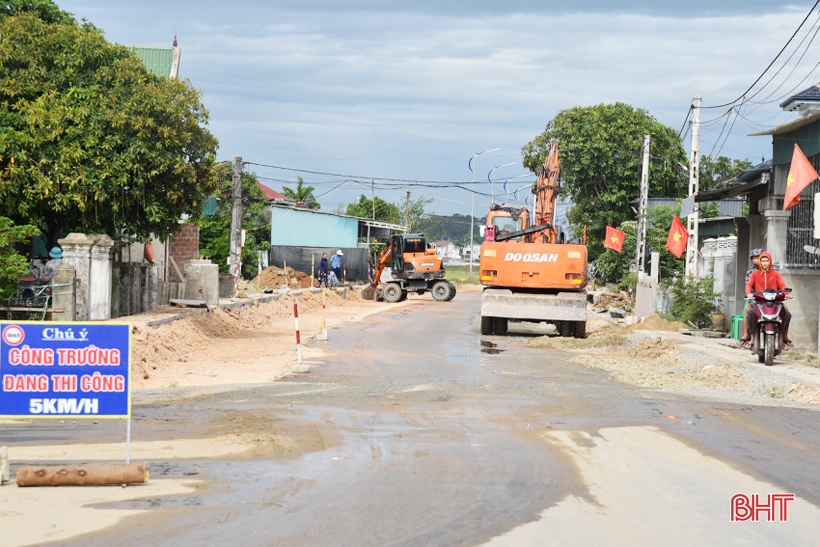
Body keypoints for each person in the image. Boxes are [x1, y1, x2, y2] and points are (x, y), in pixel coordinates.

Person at [744, 251, 792, 350]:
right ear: (760, 262)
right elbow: (749, 286)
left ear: (770, 261)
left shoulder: (775, 273)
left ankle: (782, 337)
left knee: (787, 314)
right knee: (751, 313)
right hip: (760, 302)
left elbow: (782, 285)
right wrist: (749, 293)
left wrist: (787, 294)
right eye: (763, 261)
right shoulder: (754, 274)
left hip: (775, 301)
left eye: (766, 260)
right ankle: (752, 337)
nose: (765, 263)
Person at [738, 248, 762, 347]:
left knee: (785, 311)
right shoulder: (751, 272)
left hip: (770, 299)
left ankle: (783, 337)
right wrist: (750, 295)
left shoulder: (773, 270)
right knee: (748, 310)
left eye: (758, 257)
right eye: (754, 258)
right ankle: (746, 334)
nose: (756, 260)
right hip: (755, 298)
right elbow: (748, 286)